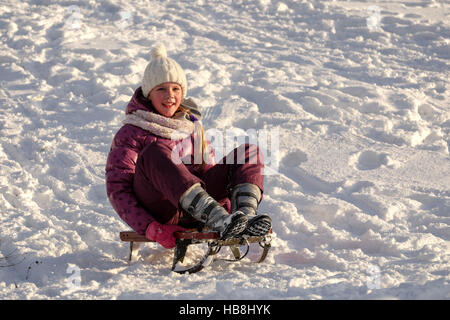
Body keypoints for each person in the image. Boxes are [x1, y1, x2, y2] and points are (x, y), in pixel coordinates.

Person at [105, 43, 271, 250]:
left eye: (176, 89)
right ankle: (218, 218)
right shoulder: (132, 132)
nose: (170, 95)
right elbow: (118, 189)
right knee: (155, 152)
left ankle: (244, 217)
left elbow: (208, 173)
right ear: (148, 94)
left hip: (198, 211)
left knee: (249, 152)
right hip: (162, 210)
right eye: (161, 89)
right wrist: (151, 227)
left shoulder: (191, 128)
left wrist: (226, 211)